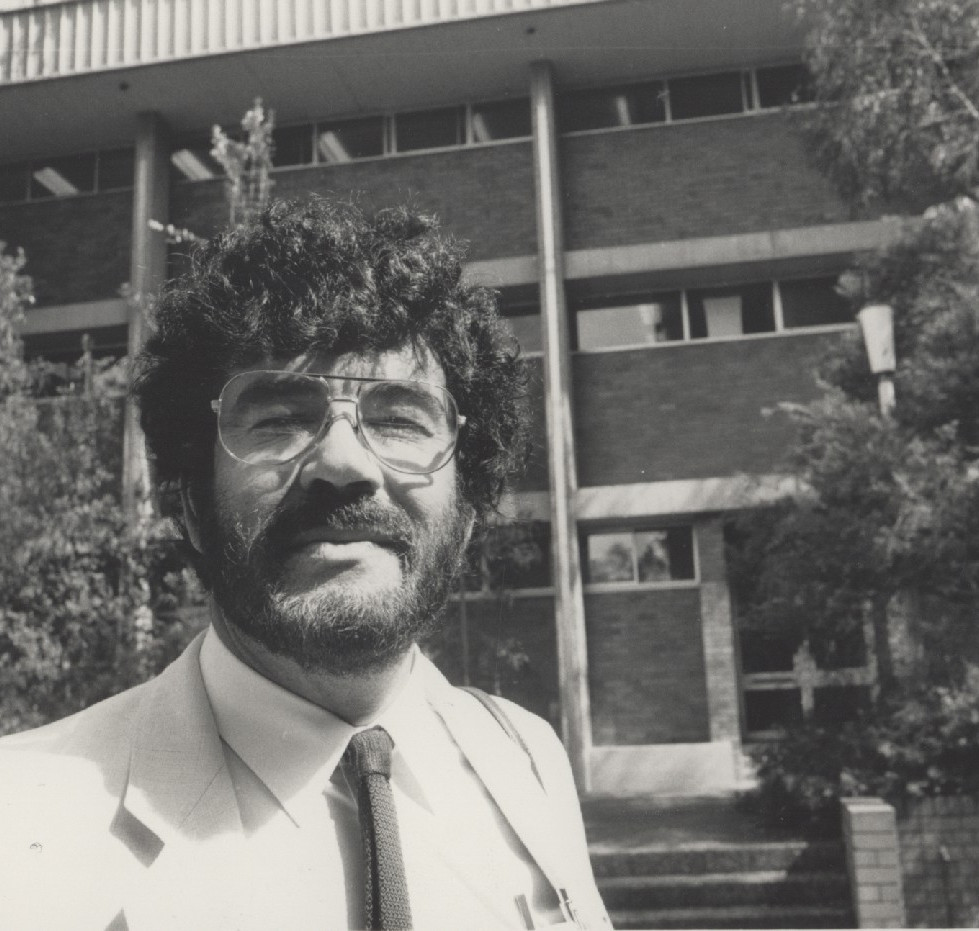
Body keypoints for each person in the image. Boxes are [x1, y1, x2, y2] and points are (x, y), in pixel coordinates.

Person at [0, 197, 612, 931]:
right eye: (279, 418)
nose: (344, 462)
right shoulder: (23, 817)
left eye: (399, 417)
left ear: (468, 511)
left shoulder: (526, 755)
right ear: (187, 499)